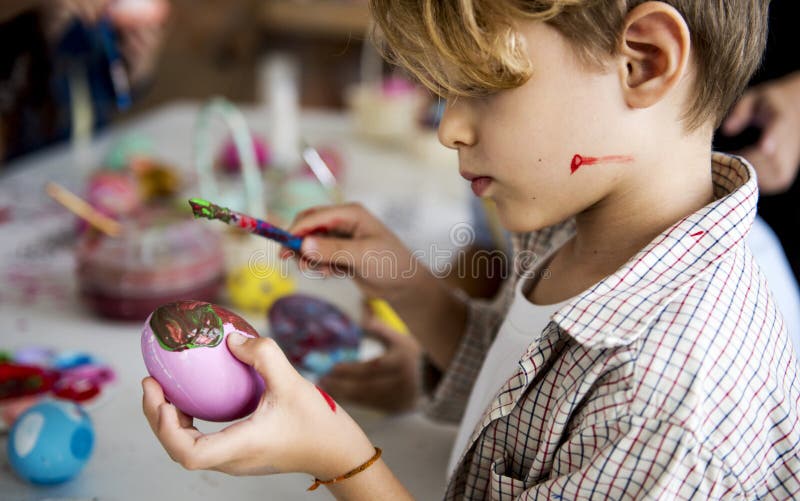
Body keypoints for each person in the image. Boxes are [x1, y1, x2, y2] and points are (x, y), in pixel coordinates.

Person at [143, 1, 800, 498]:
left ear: (643, 61)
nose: (450, 127)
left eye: (483, 85)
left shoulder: (667, 407)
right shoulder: (580, 218)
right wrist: (407, 284)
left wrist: (341, 460)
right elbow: (527, 377)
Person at [0, 0, 167, 163]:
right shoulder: (29, 27)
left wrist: (138, 67)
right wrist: (41, 27)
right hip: (32, 162)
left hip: (93, 156)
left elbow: (120, 94)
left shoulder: (104, 30)